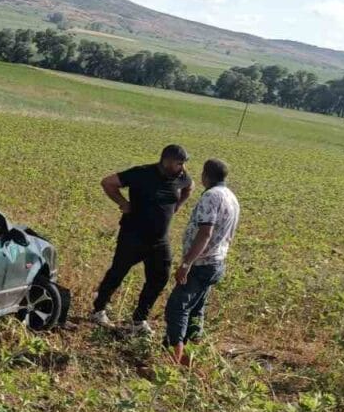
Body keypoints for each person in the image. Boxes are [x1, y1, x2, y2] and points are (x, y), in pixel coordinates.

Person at [90, 144, 193, 334]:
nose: (183, 168)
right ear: (166, 161)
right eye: (179, 164)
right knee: (118, 272)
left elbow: (189, 187)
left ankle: (139, 320)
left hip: (160, 240)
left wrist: (177, 206)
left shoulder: (180, 177)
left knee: (160, 276)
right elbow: (108, 182)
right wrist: (123, 203)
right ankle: (98, 309)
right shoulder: (142, 173)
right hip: (133, 235)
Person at [164, 158, 240, 366]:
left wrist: (187, 263)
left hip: (201, 264)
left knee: (177, 308)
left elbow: (205, 233)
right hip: (216, 263)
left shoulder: (211, 197)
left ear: (205, 175)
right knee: (196, 311)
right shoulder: (231, 197)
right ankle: (189, 358)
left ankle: (172, 362)